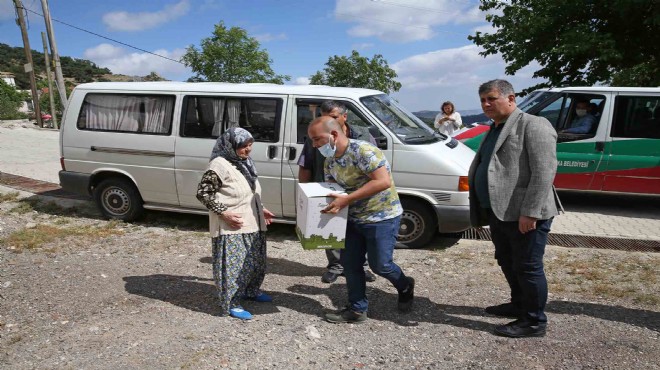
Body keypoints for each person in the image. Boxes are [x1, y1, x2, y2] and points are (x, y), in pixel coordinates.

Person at [468, 79, 560, 338]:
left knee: (528, 266)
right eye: (483, 100)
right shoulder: (495, 127)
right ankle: (520, 304)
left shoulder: (534, 124)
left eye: (491, 98)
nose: (486, 104)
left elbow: (544, 172)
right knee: (507, 260)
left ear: (511, 98)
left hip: (524, 214)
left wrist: (530, 212)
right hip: (500, 212)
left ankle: (533, 321)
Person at [307, 116, 415, 324]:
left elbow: (382, 181)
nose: (314, 145)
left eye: (317, 139)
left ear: (334, 135)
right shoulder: (330, 160)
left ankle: (405, 285)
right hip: (351, 218)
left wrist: (347, 199)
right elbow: (332, 188)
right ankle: (357, 309)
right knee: (350, 264)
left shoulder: (364, 151)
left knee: (380, 265)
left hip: (381, 216)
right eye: (312, 140)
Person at [196, 127, 275, 320]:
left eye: (250, 145)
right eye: (243, 146)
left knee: (254, 263)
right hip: (231, 226)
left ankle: (251, 291)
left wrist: (260, 208)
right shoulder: (219, 164)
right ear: (230, 145)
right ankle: (231, 302)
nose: (248, 150)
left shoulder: (244, 162)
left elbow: (249, 190)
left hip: (252, 221)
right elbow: (203, 193)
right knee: (233, 267)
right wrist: (224, 213)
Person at [298, 100, 377, 284]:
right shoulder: (317, 137)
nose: (328, 121)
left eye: (333, 117)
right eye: (324, 117)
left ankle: (362, 266)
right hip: (329, 189)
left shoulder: (364, 136)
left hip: (359, 193)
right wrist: (304, 192)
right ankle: (336, 266)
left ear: (344, 116)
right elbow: (305, 165)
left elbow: (376, 166)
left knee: (358, 230)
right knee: (331, 226)